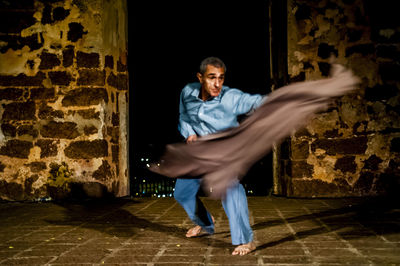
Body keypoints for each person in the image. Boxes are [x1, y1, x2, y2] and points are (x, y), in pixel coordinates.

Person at [174, 57, 264, 256]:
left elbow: (257, 102)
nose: (217, 84)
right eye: (211, 77)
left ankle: (247, 241)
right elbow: (183, 116)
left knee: (230, 188)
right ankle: (206, 223)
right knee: (182, 192)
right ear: (200, 77)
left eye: (221, 78)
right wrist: (189, 132)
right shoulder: (188, 92)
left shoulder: (230, 97)